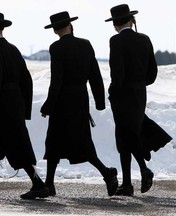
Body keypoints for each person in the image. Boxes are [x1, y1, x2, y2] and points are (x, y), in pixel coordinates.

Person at [41, 11, 118, 197]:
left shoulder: (56, 48)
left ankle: (106, 173)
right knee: (81, 140)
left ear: (55, 31)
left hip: (62, 101)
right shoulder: (85, 45)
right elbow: (95, 76)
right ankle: (50, 183)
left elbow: (56, 80)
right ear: (70, 25)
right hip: (80, 99)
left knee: (54, 141)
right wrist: (99, 101)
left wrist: (48, 105)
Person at [105, 4, 172, 196]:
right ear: (131, 20)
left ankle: (141, 172)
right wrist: (140, 84)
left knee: (125, 136)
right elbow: (153, 72)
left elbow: (116, 70)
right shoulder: (144, 39)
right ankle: (127, 183)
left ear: (115, 25)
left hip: (122, 94)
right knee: (128, 135)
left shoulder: (115, 41)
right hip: (139, 93)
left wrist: (115, 89)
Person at [0, 13, 49, 199]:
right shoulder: (13, 49)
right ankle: (38, 183)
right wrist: (24, 109)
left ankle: (39, 184)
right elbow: (27, 80)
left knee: (16, 147)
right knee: (18, 147)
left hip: (2, 106)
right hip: (15, 105)